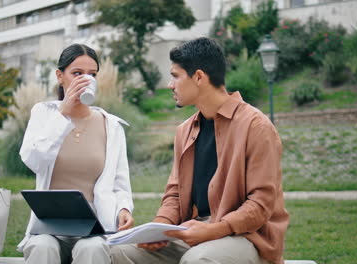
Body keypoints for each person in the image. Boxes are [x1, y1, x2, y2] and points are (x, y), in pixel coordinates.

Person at [111, 37, 289, 264]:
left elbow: (261, 204)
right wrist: (159, 228)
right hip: (194, 231)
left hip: (248, 238)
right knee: (118, 253)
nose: (170, 84)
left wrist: (213, 230)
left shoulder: (256, 127)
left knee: (198, 260)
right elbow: (175, 194)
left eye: (175, 76)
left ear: (198, 77)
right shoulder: (184, 131)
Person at [18, 43, 134, 264]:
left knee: (92, 249)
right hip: (48, 226)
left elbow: (120, 182)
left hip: (93, 228)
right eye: (77, 73)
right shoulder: (44, 114)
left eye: (92, 74)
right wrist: (63, 113)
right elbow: (33, 160)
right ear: (60, 76)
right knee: (42, 247)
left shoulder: (111, 126)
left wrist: (124, 209)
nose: (85, 80)